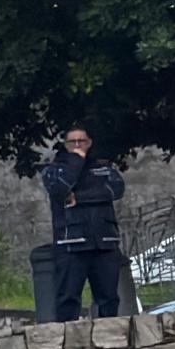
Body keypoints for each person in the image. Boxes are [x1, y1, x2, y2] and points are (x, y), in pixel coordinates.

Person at [39, 128, 128, 322]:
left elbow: (114, 191)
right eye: (73, 142)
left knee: (109, 299)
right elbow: (60, 190)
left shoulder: (104, 168)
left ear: (90, 142)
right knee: (68, 298)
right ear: (65, 145)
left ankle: (110, 341)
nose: (78, 145)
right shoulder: (54, 170)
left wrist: (78, 196)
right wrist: (76, 162)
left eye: (82, 141)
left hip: (104, 242)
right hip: (71, 243)